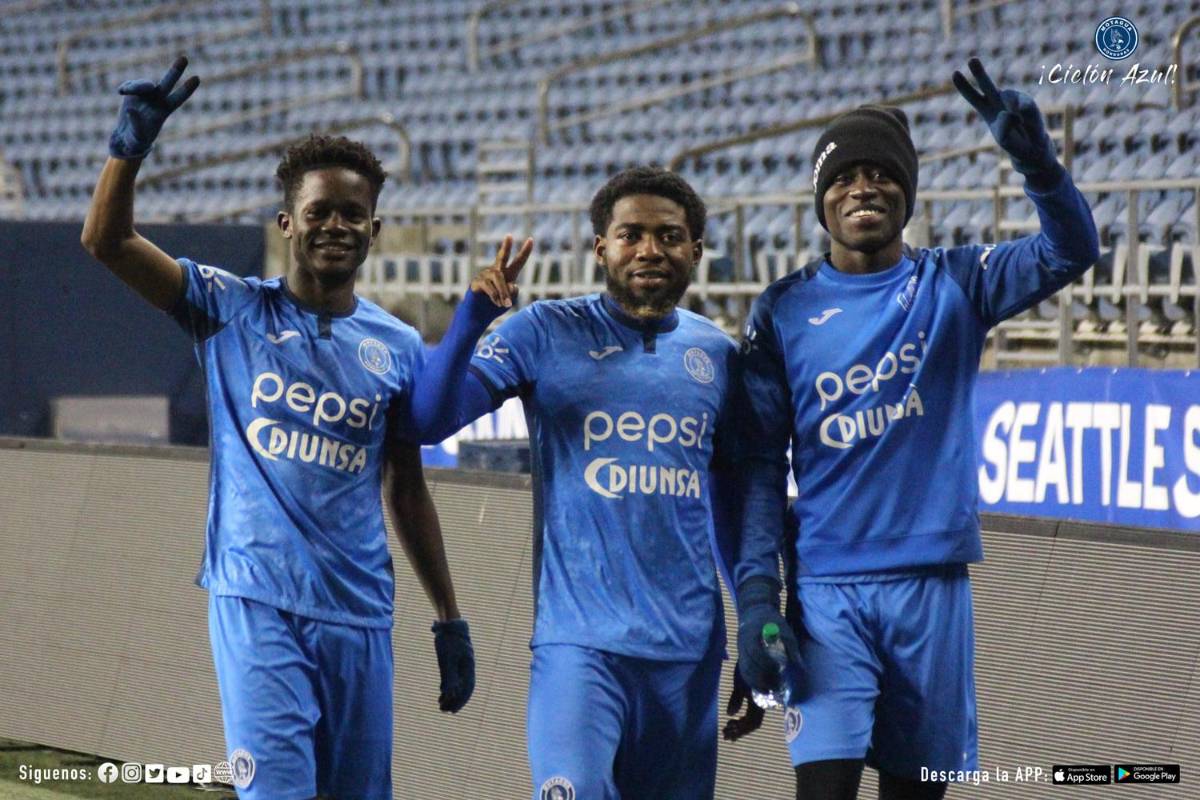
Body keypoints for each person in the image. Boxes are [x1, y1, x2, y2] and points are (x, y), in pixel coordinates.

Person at [80, 57, 475, 800]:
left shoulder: (395, 347)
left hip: (359, 613)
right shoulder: (228, 307)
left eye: (351, 213)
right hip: (257, 601)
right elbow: (107, 243)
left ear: (374, 229)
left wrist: (449, 616)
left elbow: (408, 489)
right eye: (319, 210)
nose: (335, 226)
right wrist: (127, 151)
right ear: (287, 221)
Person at [730, 59, 1099, 799]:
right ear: (819, 202)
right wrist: (756, 602)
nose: (862, 186)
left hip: (931, 590)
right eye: (842, 176)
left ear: (908, 193)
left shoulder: (958, 282)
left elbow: (1072, 251)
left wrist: (1040, 166)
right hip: (828, 591)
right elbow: (762, 468)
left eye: (881, 173)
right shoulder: (783, 310)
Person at [410, 166, 740, 800]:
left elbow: (730, 505)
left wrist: (756, 618)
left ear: (696, 250)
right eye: (631, 235)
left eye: (668, 236)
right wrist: (473, 318)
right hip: (580, 648)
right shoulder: (544, 332)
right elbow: (428, 420)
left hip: (689, 655)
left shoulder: (719, 357)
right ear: (601, 248)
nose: (650, 250)